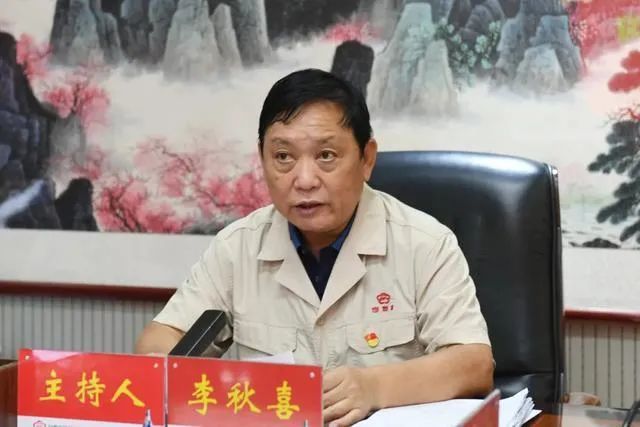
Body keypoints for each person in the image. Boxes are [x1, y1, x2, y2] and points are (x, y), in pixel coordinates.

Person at [136, 68, 494, 426]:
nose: (304, 180)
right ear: (262, 158)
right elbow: (161, 340)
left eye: (326, 155)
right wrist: (181, 374)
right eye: (283, 157)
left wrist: (374, 387)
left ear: (367, 158)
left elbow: (473, 364)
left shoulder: (424, 243)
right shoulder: (237, 247)